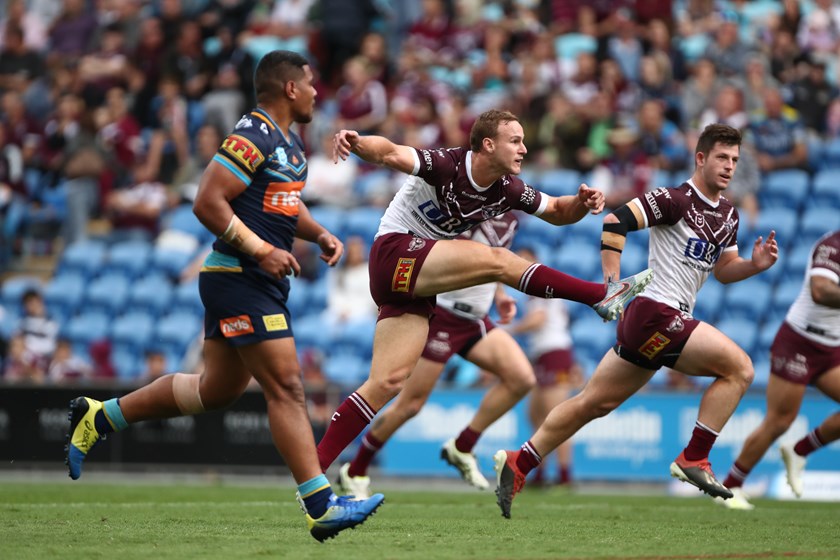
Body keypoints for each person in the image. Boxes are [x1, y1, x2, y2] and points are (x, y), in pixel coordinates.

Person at [63, 50, 384, 542]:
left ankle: (101, 416)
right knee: (287, 386)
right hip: (239, 276)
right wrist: (261, 250)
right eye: (311, 83)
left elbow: (282, 202)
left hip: (252, 279)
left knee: (216, 391)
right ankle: (320, 505)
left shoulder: (289, 142)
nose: (317, 91)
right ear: (290, 88)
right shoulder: (252, 135)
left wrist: (318, 232)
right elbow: (207, 201)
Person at [316, 109, 654, 473]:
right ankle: (598, 295)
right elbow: (390, 152)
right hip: (395, 252)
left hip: (417, 285)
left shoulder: (507, 189)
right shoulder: (447, 164)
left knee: (387, 382)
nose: (524, 149)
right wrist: (357, 142)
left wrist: (580, 203)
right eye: (516, 141)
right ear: (488, 145)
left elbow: (557, 211)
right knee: (499, 260)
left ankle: (313, 477)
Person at [493, 123, 780, 518]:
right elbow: (616, 221)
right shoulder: (675, 199)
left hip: (655, 323)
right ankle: (694, 457)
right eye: (721, 157)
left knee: (592, 403)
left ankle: (518, 463)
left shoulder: (729, 215)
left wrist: (754, 265)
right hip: (655, 312)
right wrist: (612, 285)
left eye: (734, 159)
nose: (729, 166)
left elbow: (725, 269)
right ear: (700, 158)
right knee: (740, 369)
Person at [337, 212, 536, 498]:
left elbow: (495, 258)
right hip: (443, 315)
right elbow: (446, 252)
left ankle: (462, 446)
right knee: (410, 405)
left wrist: (500, 294)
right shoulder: (472, 204)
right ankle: (355, 470)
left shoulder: (511, 213)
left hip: (475, 319)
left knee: (521, 378)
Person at [718, 230, 840, 510]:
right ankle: (731, 485)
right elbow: (820, 290)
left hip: (832, 348)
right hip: (800, 341)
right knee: (780, 421)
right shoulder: (832, 245)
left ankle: (800, 450)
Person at [506, 246, 584, 487]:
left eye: (524, 259)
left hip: (554, 354)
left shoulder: (539, 286)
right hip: (543, 355)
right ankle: (541, 473)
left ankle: (564, 475)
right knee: (536, 415)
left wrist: (509, 330)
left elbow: (538, 320)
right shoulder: (537, 290)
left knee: (556, 418)